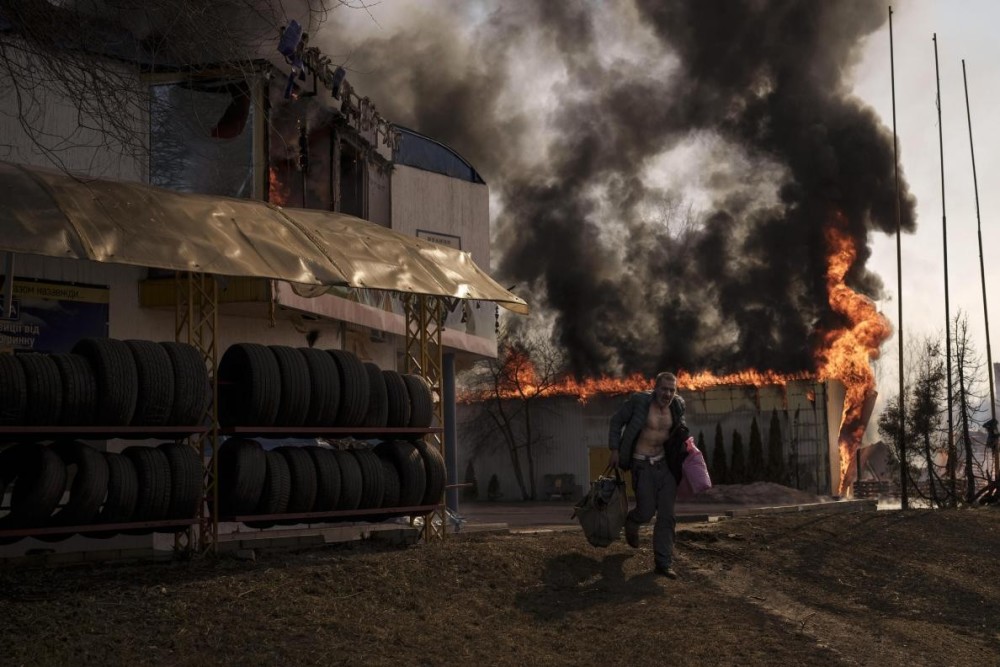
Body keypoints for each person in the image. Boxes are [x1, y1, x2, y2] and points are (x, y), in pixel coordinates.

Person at [608, 371, 688, 579]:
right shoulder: (639, 402)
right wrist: (615, 450)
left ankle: (663, 563)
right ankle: (632, 521)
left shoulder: (678, 406)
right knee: (646, 511)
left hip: (664, 466)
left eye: (672, 390)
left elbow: (680, 430)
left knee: (667, 515)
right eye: (664, 389)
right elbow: (616, 422)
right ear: (655, 388)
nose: (668, 393)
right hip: (641, 465)